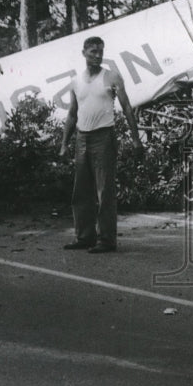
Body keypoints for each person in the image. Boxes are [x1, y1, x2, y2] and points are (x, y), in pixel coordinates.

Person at [60, 36, 143, 253]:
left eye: (100, 51)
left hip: (103, 138)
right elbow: (71, 114)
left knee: (104, 190)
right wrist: (63, 144)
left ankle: (107, 240)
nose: (97, 56)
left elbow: (126, 107)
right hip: (81, 138)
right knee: (81, 191)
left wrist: (135, 139)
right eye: (93, 52)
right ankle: (85, 236)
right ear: (84, 53)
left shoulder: (111, 76)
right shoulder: (76, 82)